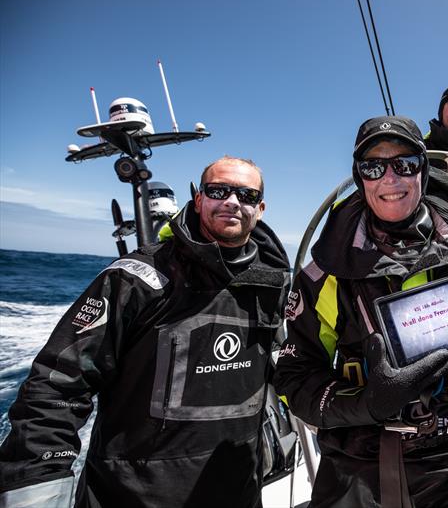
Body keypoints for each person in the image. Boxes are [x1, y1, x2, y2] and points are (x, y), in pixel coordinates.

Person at [0, 156, 291, 508]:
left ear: (259, 208)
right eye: (219, 190)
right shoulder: (135, 279)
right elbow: (57, 383)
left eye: (245, 195)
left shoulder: (273, 286)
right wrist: (37, 483)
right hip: (132, 496)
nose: (232, 202)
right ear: (199, 200)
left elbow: (285, 367)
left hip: (237, 491)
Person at [274, 115, 448, 507]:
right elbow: (292, 377)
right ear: (359, 176)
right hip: (361, 463)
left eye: (405, 164)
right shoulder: (326, 273)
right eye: (373, 166)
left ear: (424, 169)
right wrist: (365, 403)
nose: (391, 178)